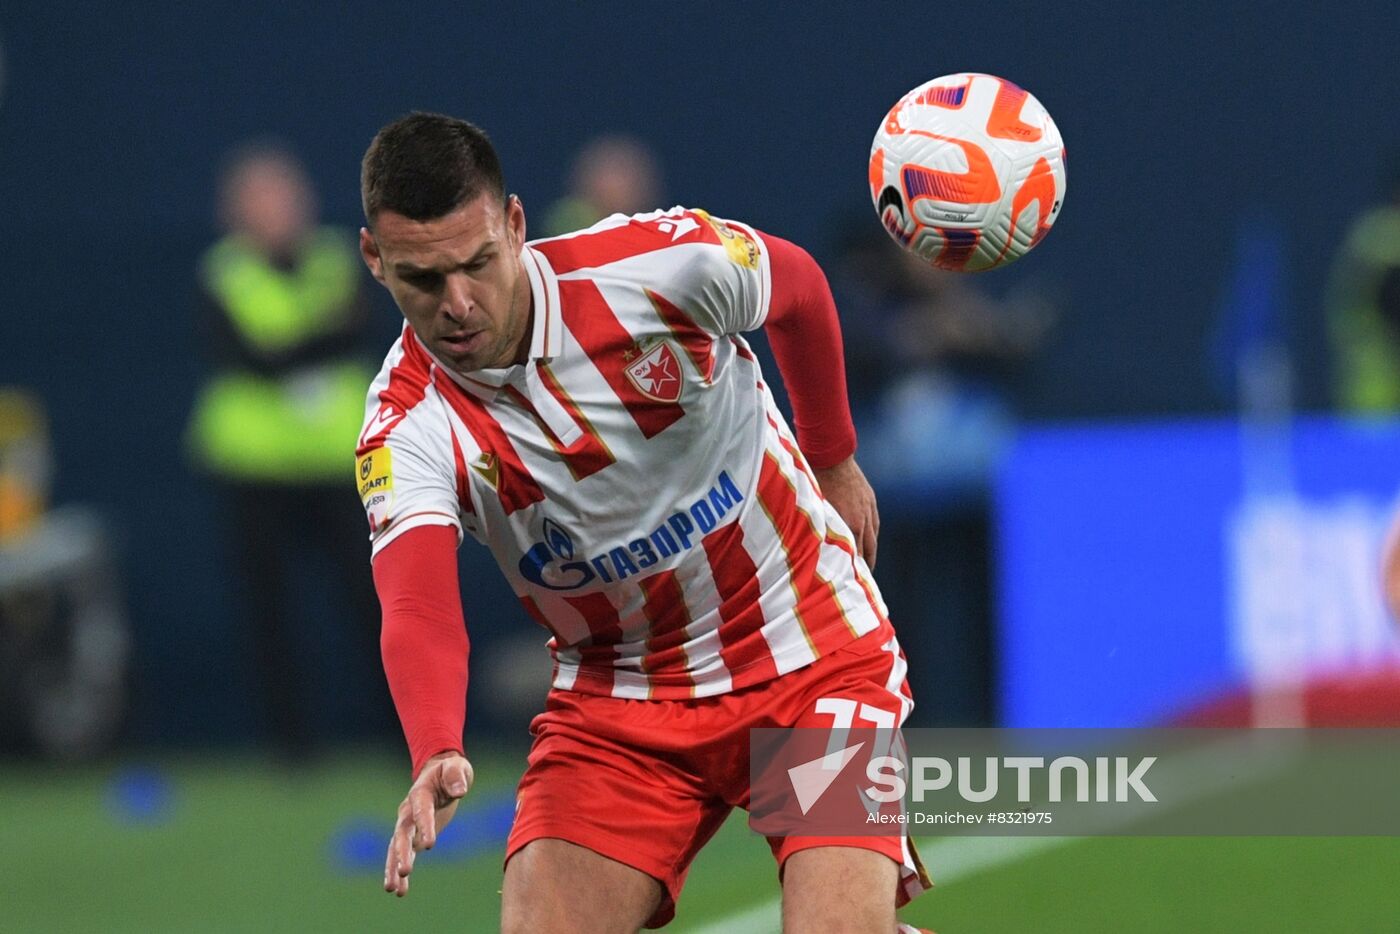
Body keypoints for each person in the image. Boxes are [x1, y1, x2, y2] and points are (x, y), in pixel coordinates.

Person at [355, 112, 931, 932]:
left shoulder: (655, 265)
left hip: (808, 646)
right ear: (375, 260)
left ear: (515, 225)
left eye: (478, 263)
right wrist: (436, 745)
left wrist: (833, 456)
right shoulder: (404, 425)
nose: (458, 304)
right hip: (619, 700)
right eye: (422, 278)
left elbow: (797, 286)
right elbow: (416, 605)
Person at [186, 143, 387, 758]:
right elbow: (254, 358)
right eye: (260, 199)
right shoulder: (224, 273)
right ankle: (291, 748)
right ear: (234, 211)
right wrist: (312, 339)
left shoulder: (338, 256)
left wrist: (290, 346)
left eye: (284, 194)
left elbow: (359, 329)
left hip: (340, 464)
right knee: (269, 615)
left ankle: (403, 737)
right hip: (255, 470)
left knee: (374, 606)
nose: (276, 209)